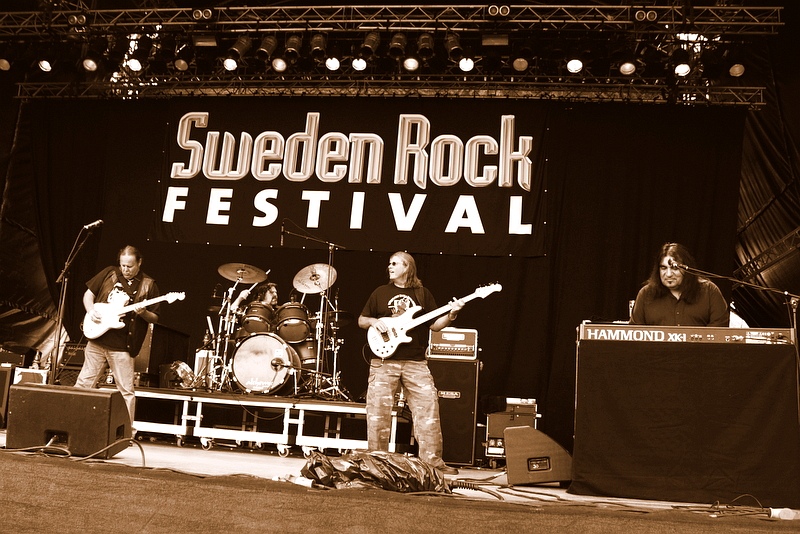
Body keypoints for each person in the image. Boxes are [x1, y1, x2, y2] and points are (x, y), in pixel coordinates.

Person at [358, 251, 465, 476]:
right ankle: (376, 462)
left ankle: (433, 463)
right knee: (378, 412)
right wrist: (376, 322)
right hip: (384, 361)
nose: (390, 267)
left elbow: (435, 325)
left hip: (415, 362)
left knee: (428, 408)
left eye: (395, 263)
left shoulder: (422, 294)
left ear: (407, 267)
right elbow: (362, 320)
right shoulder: (380, 292)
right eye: (389, 263)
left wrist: (452, 314)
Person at [76, 246, 161, 425]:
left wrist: (143, 312)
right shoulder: (109, 273)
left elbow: (154, 317)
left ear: (139, 262)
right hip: (97, 340)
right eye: (122, 265)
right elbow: (88, 295)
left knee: (126, 391)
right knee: (84, 385)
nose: (125, 270)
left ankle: (125, 432)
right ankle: (72, 423)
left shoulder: (148, 284)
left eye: (129, 266)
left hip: (123, 346)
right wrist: (91, 311)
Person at [630, 242, 729, 327]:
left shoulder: (709, 291)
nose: (668, 274)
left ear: (686, 268)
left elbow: (720, 329)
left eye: (674, 268)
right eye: (663, 268)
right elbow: (633, 335)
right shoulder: (646, 294)